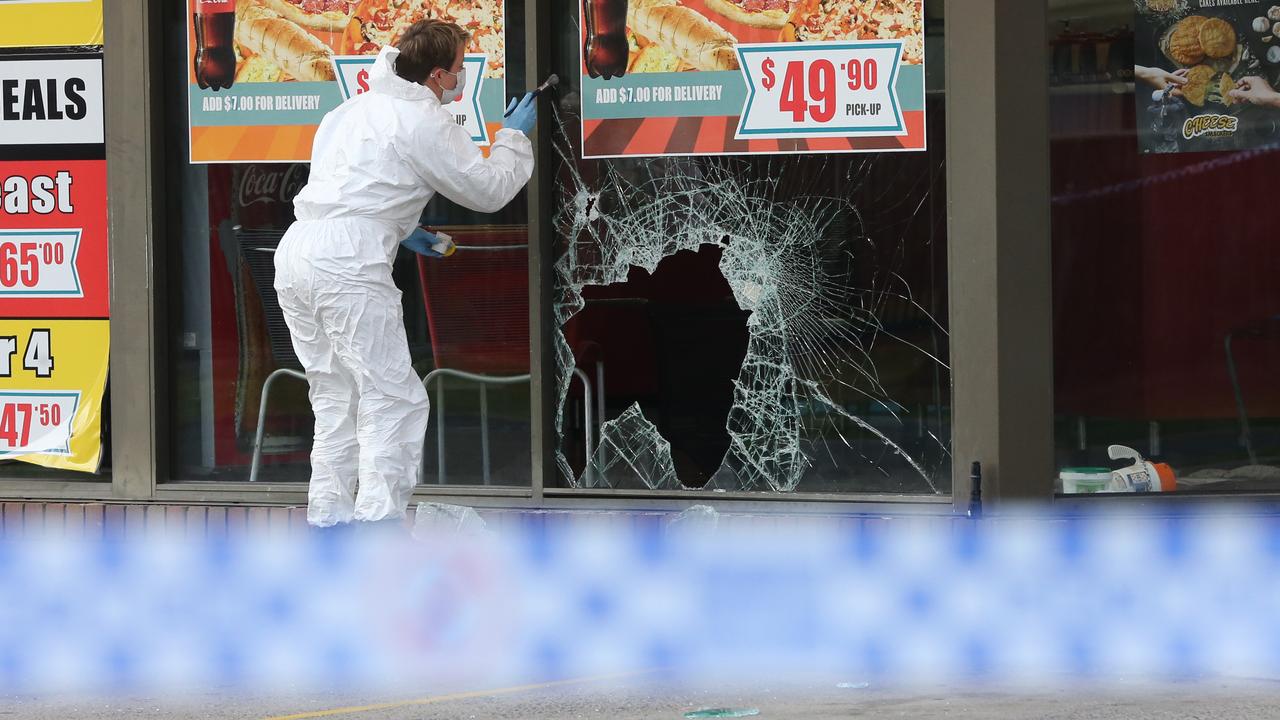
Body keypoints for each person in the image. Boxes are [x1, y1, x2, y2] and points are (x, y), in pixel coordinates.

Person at [273, 20, 537, 527]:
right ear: (437, 75)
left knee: (335, 396)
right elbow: (487, 190)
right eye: (459, 69)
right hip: (348, 262)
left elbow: (355, 187)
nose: (460, 80)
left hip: (300, 250)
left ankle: (328, 525)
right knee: (392, 397)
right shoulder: (422, 120)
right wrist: (511, 139)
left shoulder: (350, 110)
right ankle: (379, 530)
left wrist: (401, 228)